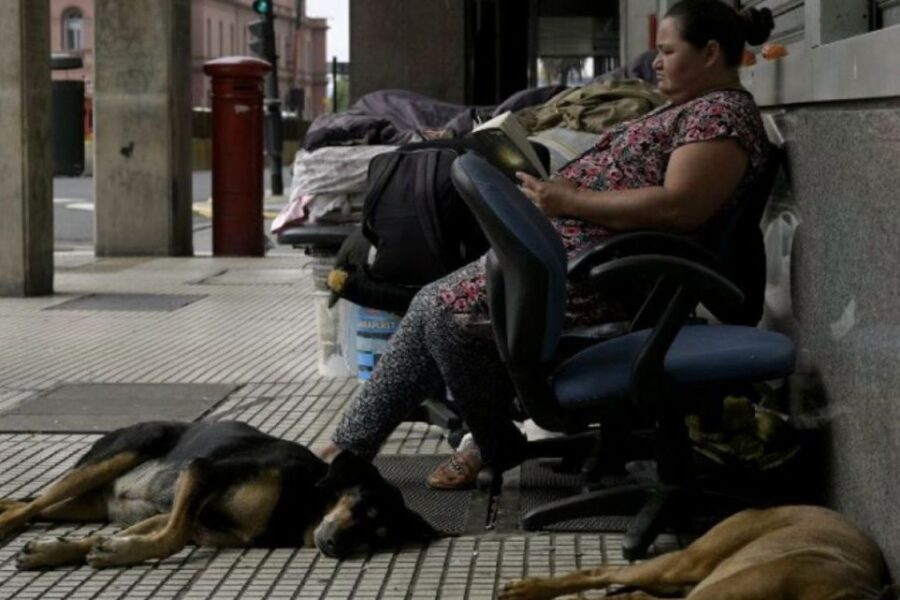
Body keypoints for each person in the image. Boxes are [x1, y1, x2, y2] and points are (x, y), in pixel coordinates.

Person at [317, 0, 776, 490]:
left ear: (709, 53)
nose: (657, 62)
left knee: (441, 313)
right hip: (568, 253)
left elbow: (681, 208)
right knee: (432, 308)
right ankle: (361, 443)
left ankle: (469, 439)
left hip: (611, 273)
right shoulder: (688, 108)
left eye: (667, 50)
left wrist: (571, 199)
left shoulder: (721, 115)